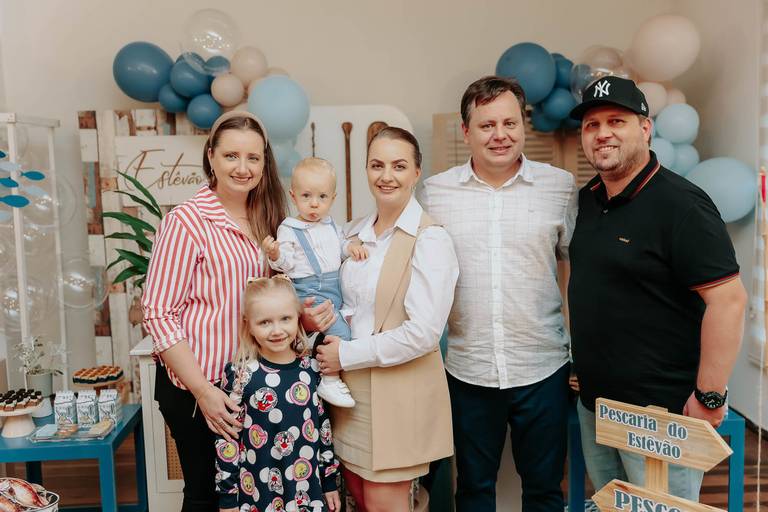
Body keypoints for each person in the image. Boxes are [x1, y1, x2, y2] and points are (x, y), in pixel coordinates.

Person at [567, 75, 748, 501]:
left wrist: (709, 396)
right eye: (592, 125)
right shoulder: (588, 200)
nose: (603, 133)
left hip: (660, 414)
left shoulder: (682, 205)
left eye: (616, 121)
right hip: (597, 406)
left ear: (646, 128)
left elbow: (729, 301)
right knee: (609, 505)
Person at [418, 75, 577, 512]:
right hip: (468, 370)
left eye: (509, 123)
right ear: (466, 131)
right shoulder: (435, 192)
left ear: (524, 124)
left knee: (545, 492)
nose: (500, 135)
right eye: (487, 125)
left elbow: (581, 270)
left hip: (543, 367)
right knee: (473, 491)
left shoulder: (560, 187)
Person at [142, 110, 287, 511]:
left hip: (253, 381)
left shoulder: (270, 218)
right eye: (231, 156)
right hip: (197, 386)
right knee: (207, 496)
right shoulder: (186, 222)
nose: (243, 168)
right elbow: (158, 312)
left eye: (253, 158)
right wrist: (204, 391)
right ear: (211, 156)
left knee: (254, 494)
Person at [312, 127, 459, 512]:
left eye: (399, 166)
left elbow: (423, 333)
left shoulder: (430, 239)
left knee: (383, 504)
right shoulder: (351, 232)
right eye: (377, 165)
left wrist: (345, 355)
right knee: (359, 500)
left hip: (397, 394)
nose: (386, 175)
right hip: (347, 394)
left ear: (417, 172)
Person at [215, 276, 341, 512]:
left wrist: (329, 482)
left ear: (298, 318)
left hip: (307, 490)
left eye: (285, 319)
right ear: (248, 325)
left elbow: (323, 429)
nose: (277, 330)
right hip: (258, 492)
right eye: (264, 322)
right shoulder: (241, 374)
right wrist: (228, 498)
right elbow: (227, 439)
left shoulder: (312, 369)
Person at [261, 157, 368, 408]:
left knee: (344, 327)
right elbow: (286, 263)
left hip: (333, 289)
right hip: (308, 288)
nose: (314, 203)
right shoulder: (290, 228)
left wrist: (350, 248)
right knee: (340, 331)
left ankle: (317, 369)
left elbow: (339, 248)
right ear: (293, 196)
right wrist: (275, 254)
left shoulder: (330, 225)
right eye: (306, 196)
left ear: (333, 198)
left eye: (322, 197)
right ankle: (330, 380)